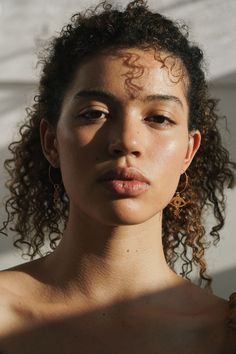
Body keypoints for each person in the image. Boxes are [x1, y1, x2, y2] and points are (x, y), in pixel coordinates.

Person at [0, 0, 235, 353]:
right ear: (51, 142)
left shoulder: (225, 333)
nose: (126, 141)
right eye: (95, 113)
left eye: (158, 118)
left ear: (189, 150)